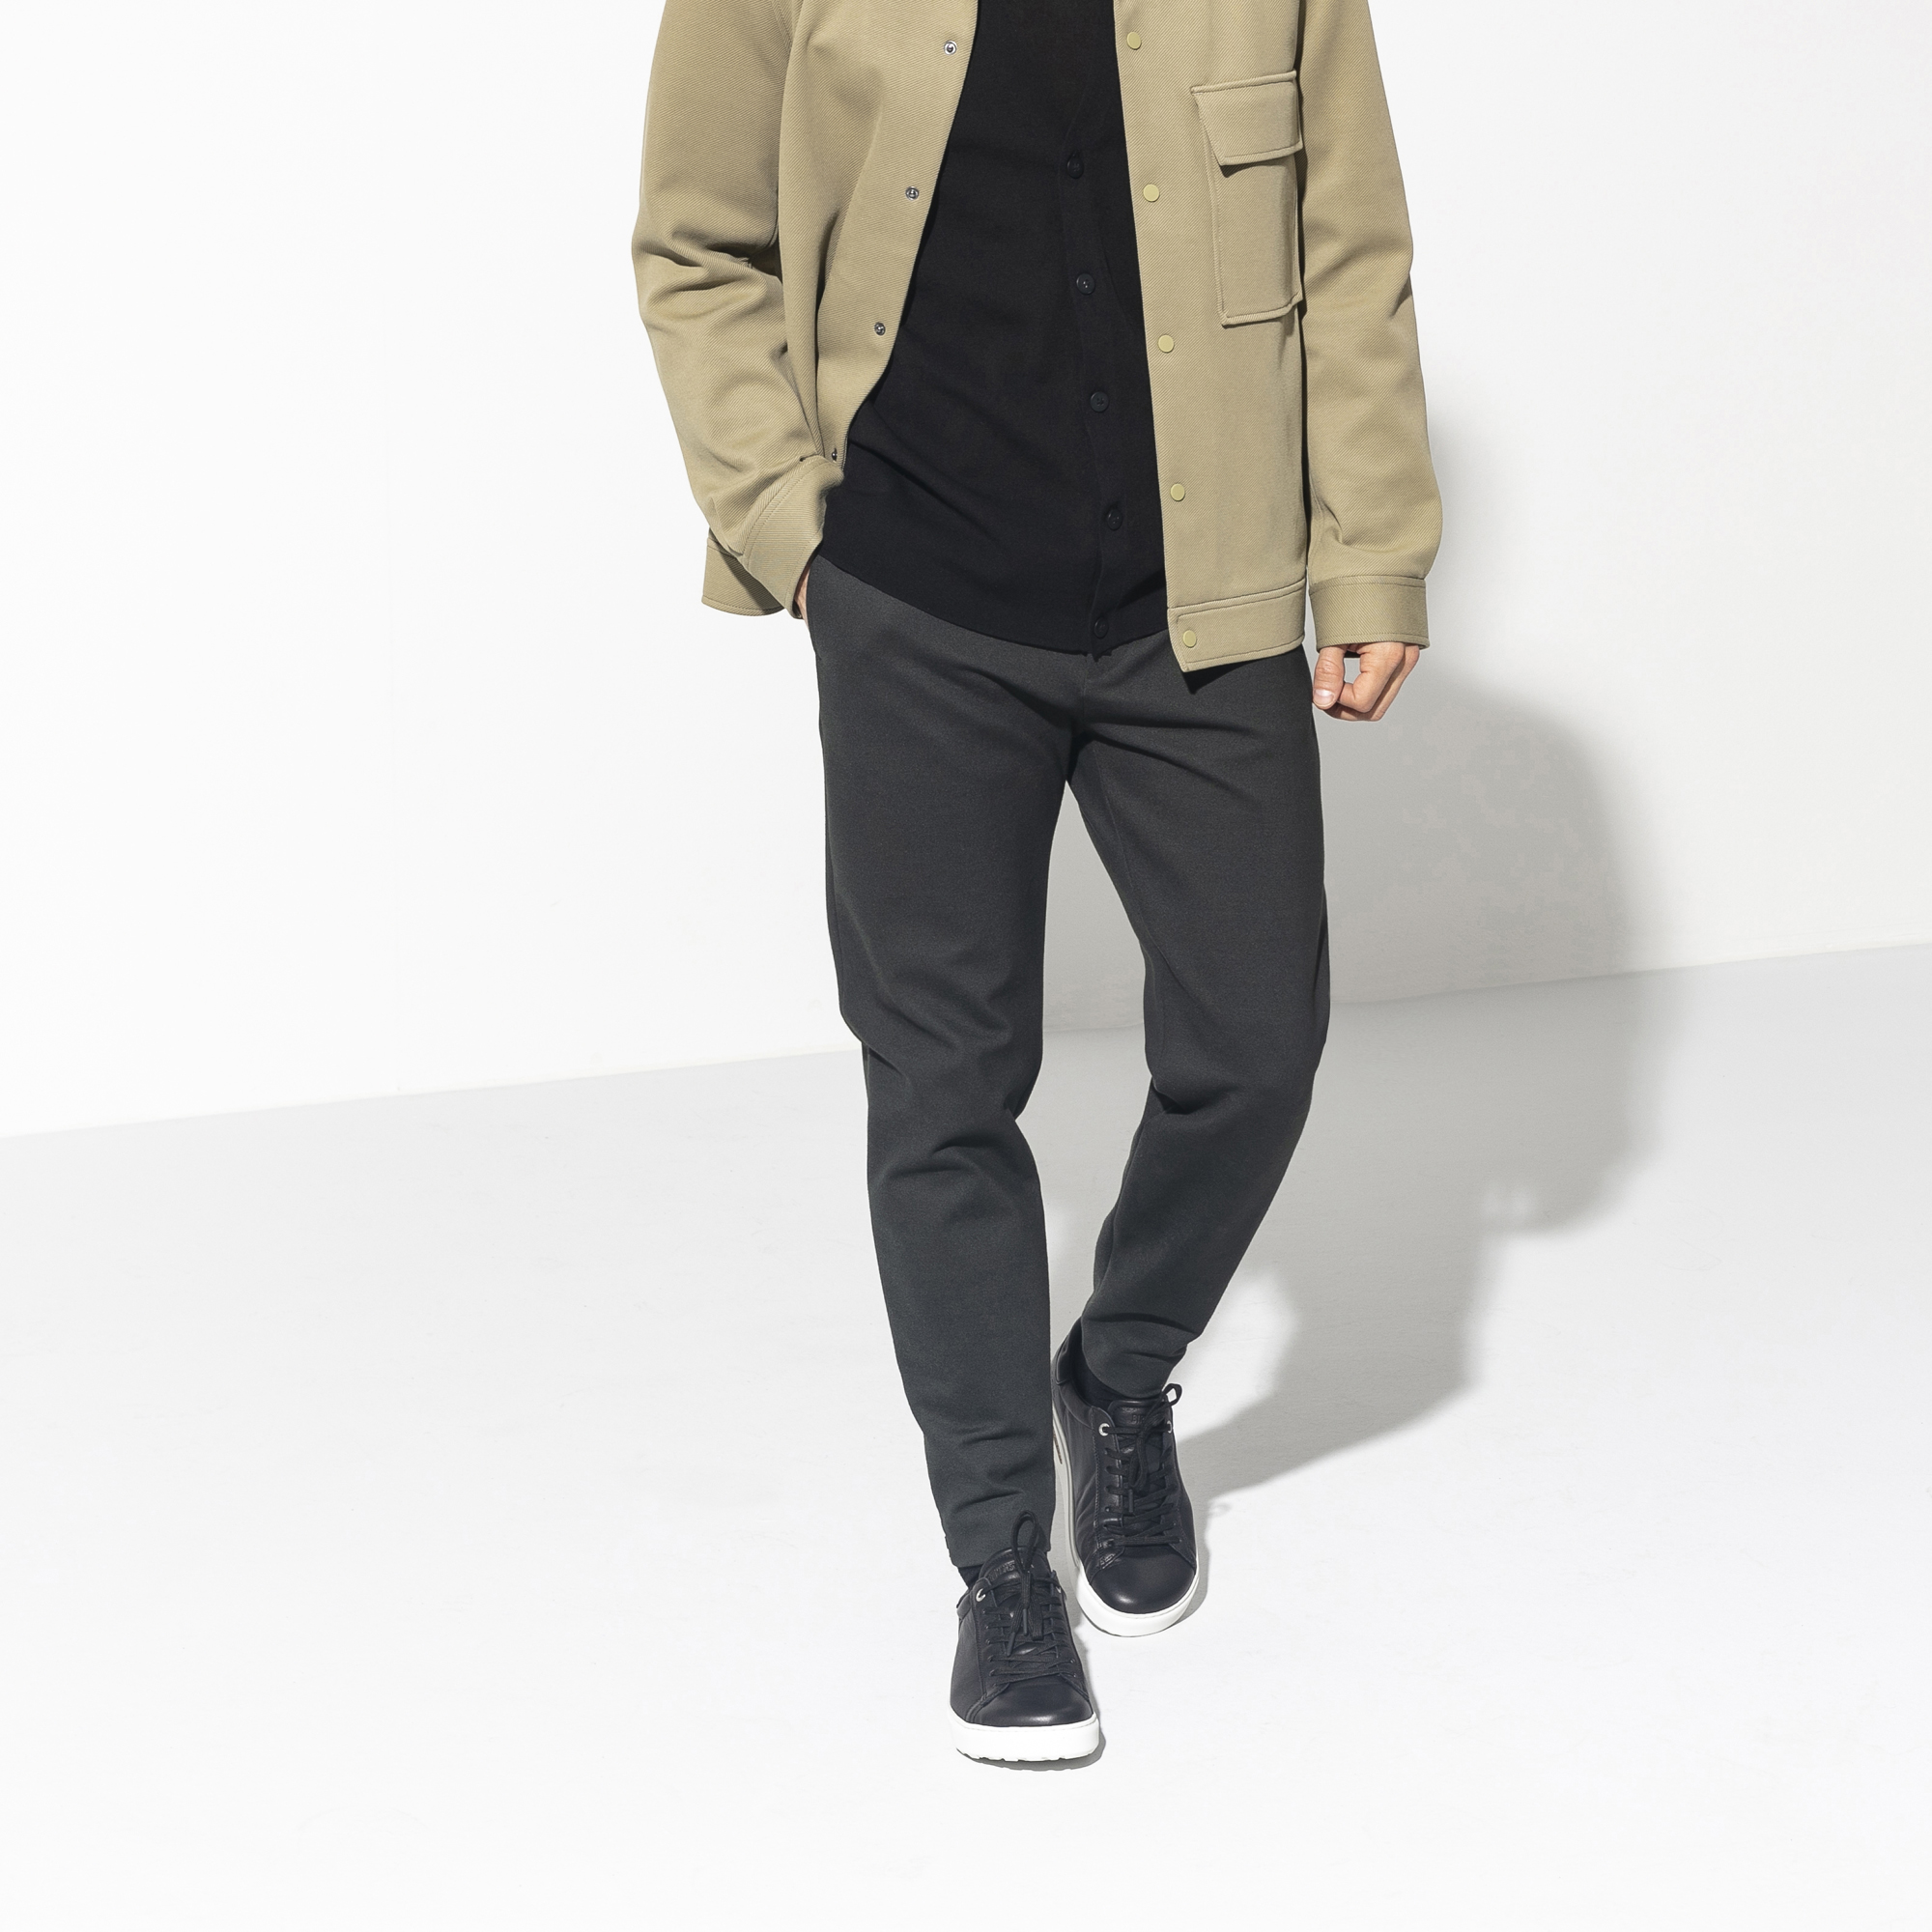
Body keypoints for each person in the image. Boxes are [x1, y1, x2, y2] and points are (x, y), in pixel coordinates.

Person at [634, 0, 1439, 1762]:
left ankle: (1117, 1375)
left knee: (1259, 1040)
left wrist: (1372, 554)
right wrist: (791, 530)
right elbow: (698, 245)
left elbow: (1349, 243)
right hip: (916, 604)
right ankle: (1000, 1561)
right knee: (944, 1080)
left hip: (1205, 602)